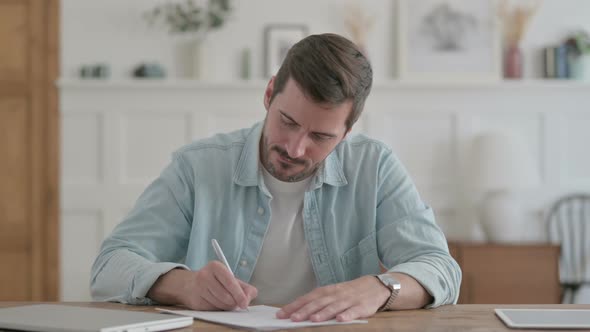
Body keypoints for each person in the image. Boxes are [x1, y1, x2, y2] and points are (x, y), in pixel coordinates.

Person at [91, 33, 461, 322]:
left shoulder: (374, 166)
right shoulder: (198, 167)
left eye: (320, 137)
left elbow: (440, 268)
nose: (296, 148)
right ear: (269, 94)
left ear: (346, 133)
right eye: (288, 122)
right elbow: (109, 267)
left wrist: (382, 288)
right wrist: (183, 285)